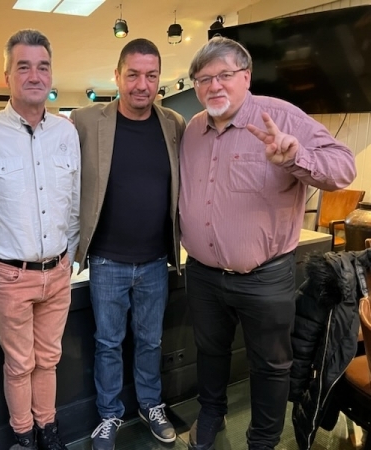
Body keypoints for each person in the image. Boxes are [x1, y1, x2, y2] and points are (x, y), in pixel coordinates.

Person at [180, 36, 356, 450]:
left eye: (224, 75)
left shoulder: (281, 117)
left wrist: (295, 158)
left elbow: (343, 169)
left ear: (246, 76)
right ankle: (211, 415)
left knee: (271, 364)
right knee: (209, 351)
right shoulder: (193, 129)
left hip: (264, 277)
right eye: (203, 79)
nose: (213, 85)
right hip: (202, 274)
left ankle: (263, 440)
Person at [0, 29, 80, 450]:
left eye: (43, 66)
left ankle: (48, 429)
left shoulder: (66, 132)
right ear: (7, 75)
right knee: (19, 364)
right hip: (10, 276)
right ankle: (24, 435)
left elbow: (74, 201)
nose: (35, 75)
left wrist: (70, 254)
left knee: (49, 360)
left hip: (58, 271)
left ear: (51, 74)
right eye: (24, 66)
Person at [71, 38, 185, 450]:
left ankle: (151, 405)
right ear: (117, 76)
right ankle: (109, 415)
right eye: (133, 74)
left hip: (156, 260)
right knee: (108, 344)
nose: (142, 84)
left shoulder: (173, 123)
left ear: (159, 78)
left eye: (151, 75)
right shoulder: (85, 120)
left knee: (151, 341)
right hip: (107, 261)